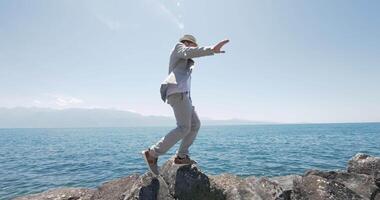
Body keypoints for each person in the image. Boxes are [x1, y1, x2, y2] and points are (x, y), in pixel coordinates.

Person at [142, 34, 229, 175]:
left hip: (184, 96)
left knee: (195, 125)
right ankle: (152, 153)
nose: (195, 49)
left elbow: (185, 82)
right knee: (183, 127)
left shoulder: (186, 62)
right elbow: (188, 52)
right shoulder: (179, 47)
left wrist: (189, 101)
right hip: (177, 94)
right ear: (188, 43)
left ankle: (181, 156)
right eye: (194, 46)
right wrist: (211, 49)